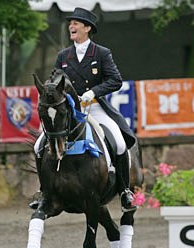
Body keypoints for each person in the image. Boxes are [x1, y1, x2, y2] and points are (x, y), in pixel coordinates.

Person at [32, 7, 137, 212]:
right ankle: (44, 192)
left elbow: (115, 80)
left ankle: (124, 191)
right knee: (38, 146)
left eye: (76, 23)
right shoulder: (63, 55)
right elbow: (55, 79)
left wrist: (93, 92)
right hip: (69, 112)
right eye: (70, 23)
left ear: (87, 28)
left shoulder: (101, 53)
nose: (71, 26)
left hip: (95, 108)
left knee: (119, 143)